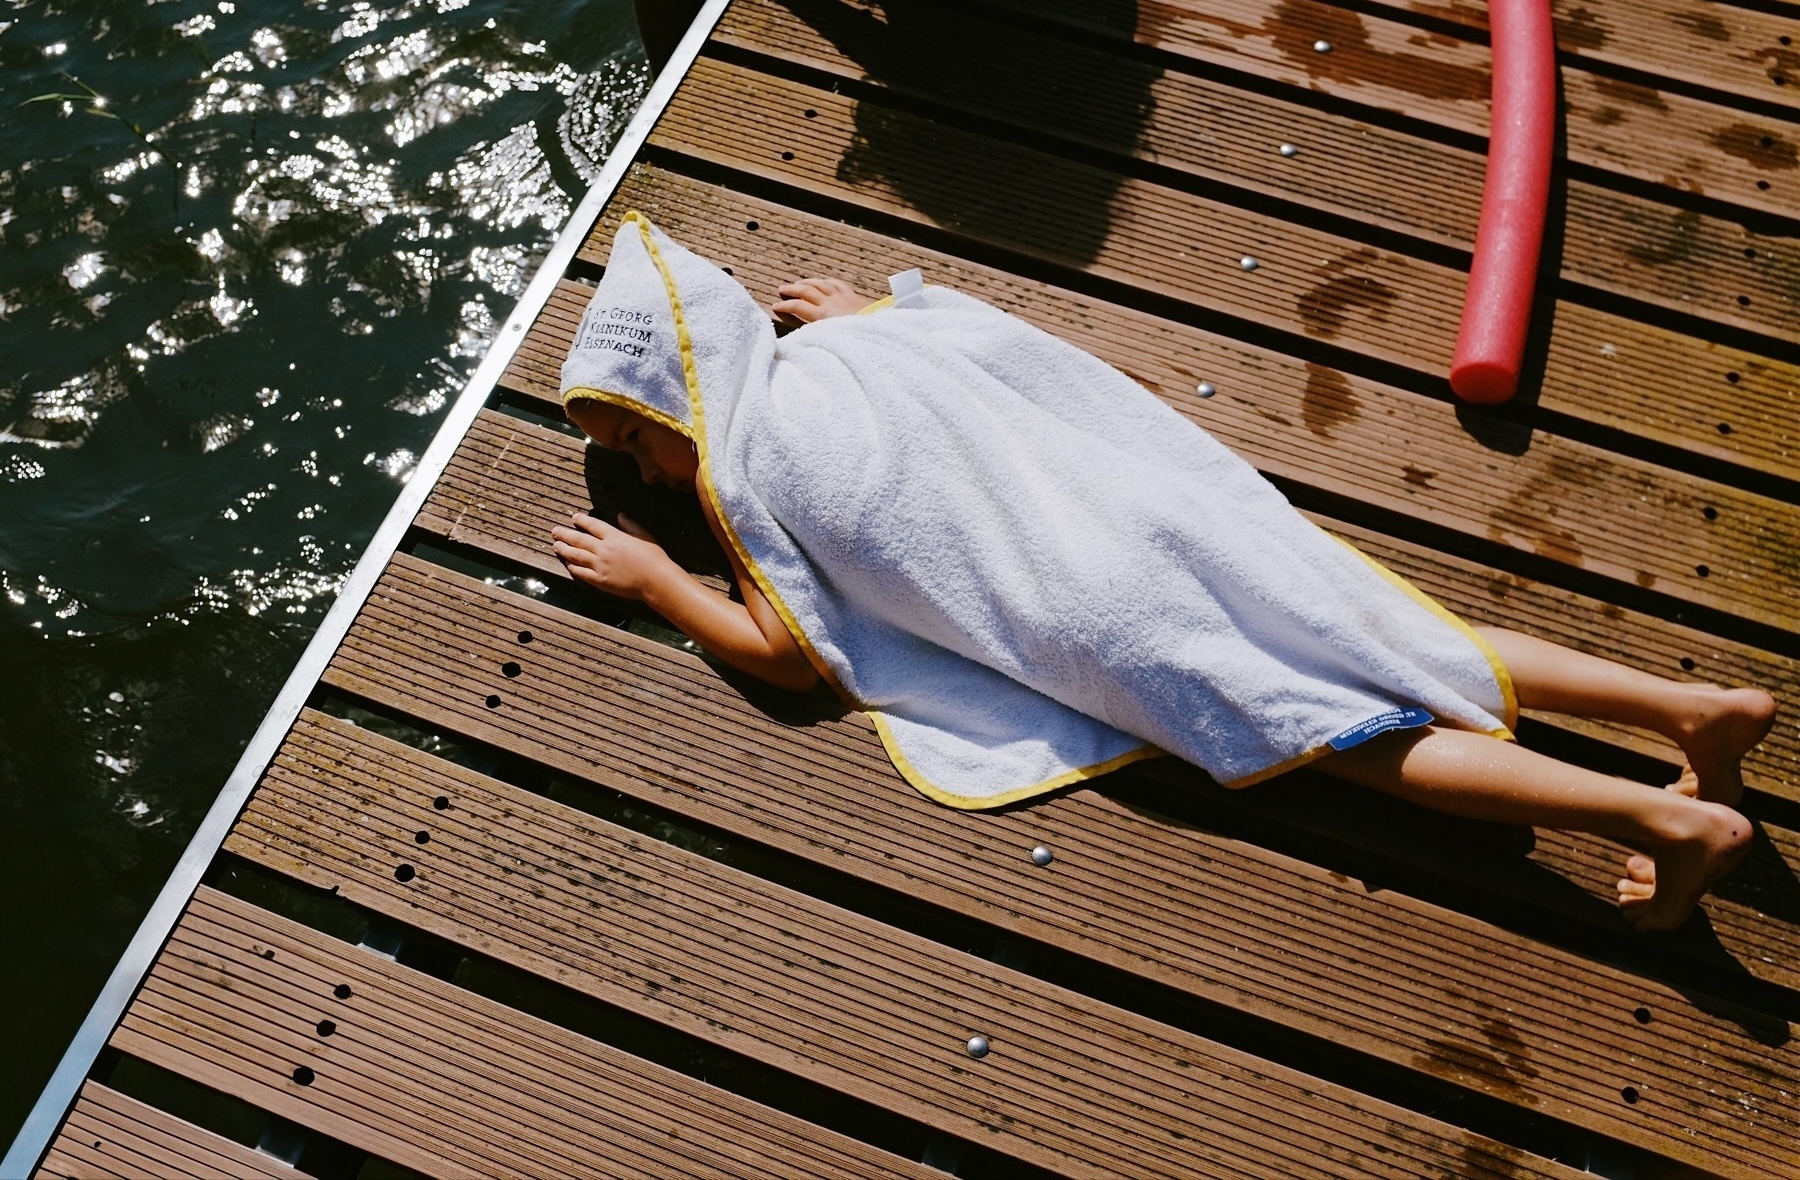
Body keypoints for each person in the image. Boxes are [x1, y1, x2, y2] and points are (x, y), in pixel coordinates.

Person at [551, 226, 1773, 934]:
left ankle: (1658, 818)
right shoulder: (861, 338)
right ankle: (1686, 709)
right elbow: (990, 341)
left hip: (1100, 619)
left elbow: (787, 653)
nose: (654, 478)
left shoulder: (744, 479)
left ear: (687, 394)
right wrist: (865, 307)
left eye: (641, 443)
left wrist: (660, 577)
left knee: (1343, 727)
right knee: (1392, 632)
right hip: (1142, 511)